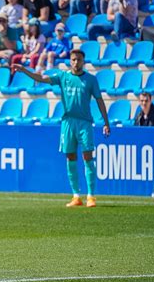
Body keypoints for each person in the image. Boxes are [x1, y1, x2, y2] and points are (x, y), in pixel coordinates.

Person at [11, 49, 111, 208]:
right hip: (68, 122)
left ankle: (91, 196)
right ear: (70, 61)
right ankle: (76, 196)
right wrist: (24, 70)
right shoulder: (63, 76)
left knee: (87, 157)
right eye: (73, 59)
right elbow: (42, 78)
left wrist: (106, 122)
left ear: (83, 61)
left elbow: (99, 100)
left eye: (79, 59)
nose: (76, 62)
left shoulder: (91, 80)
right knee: (70, 157)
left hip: (85, 123)